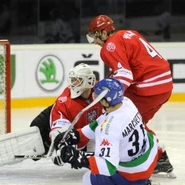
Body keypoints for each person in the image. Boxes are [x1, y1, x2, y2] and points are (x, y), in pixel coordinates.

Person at [85, 15, 174, 176]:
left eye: (96, 36)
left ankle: (156, 157)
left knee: (126, 117)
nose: (96, 42)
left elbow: (125, 75)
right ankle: (158, 157)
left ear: (104, 33)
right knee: (137, 121)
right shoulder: (128, 33)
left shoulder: (109, 47)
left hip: (149, 87)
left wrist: (108, 99)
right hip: (165, 84)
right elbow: (128, 69)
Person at [54, 78, 158, 185]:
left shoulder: (109, 130)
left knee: (88, 178)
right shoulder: (127, 102)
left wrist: (79, 158)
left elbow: (108, 167)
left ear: (105, 101)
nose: (95, 99)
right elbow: (102, 121)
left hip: (134, 174)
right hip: (149, 155)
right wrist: (77, 135)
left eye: (98, 96)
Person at [30, 63, 101, 155]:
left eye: (77, 80)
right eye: (72, 80)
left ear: (89, 81)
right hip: (69, 126)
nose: (72, 84)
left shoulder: (101, 91)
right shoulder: (64, 101)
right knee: (38, 126)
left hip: (86, 129)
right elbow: (59, 128)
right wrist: (62, 146)